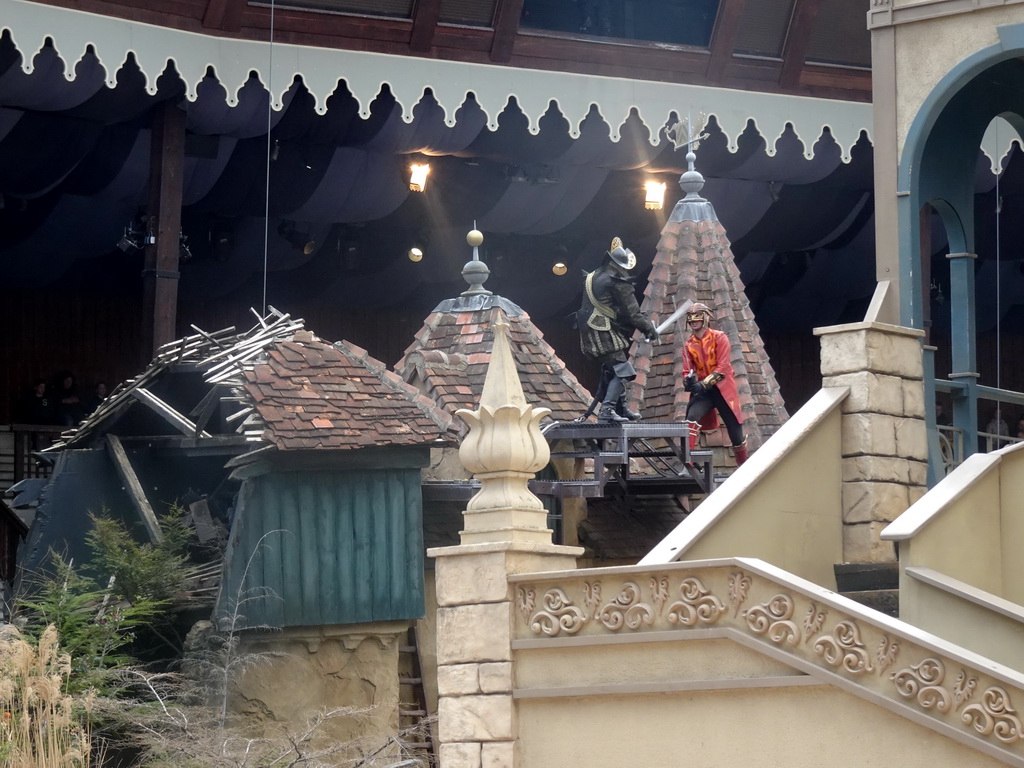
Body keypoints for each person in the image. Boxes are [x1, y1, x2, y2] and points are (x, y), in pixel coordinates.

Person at [577, 237, 659, 423]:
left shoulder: (594, 276)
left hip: (589, 330)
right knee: (624, 370)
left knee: (614, 370)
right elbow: (632, 314)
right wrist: (648, 329)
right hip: (601, 331)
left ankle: (621, 410)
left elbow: (612, 308)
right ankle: (607, 410)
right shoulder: (618, 281)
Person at [682, 302, 747, 466]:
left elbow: (723, 367)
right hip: (705, 391)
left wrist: (703, 384)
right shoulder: (689, 344)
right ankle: (688, 463)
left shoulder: (720, 337)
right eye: (691, 318)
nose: (693, 321)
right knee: (692, 416)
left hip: (723, 388)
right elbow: (687, 370)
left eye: (697, 317)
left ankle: (744, 467)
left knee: (736, 434)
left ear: (704, 317)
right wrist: (688, 381)